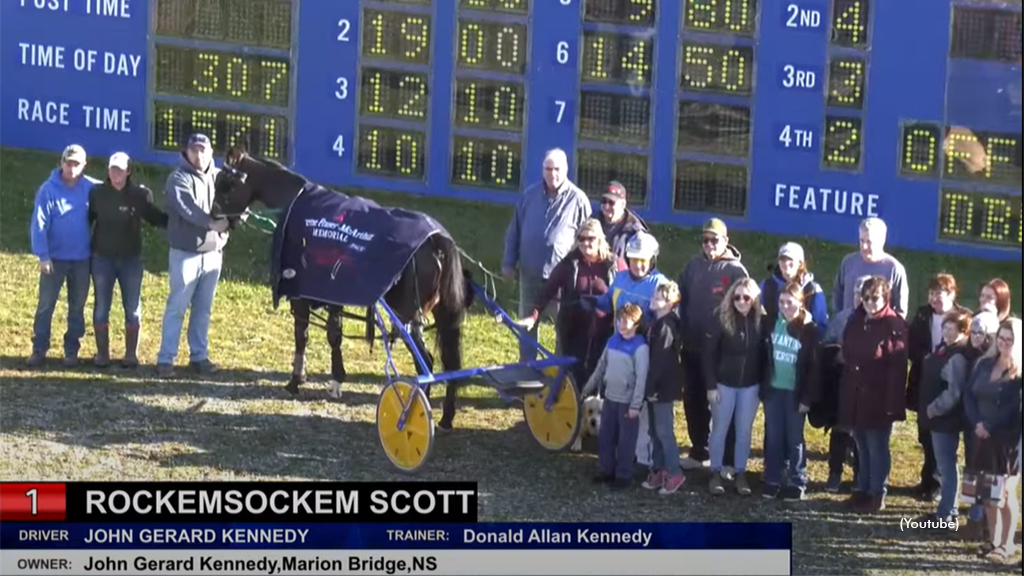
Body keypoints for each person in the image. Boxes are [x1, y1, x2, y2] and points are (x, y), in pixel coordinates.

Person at [589, 230, 669, 470]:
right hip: (616, 351)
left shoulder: (659, 283)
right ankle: (611, 461)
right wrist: (590, 300)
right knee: (615, 408)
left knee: (639, 411)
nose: (639, 265)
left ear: (652, 259)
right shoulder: (621, 278)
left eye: (644, 260)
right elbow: (606, 303)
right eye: (634, 259)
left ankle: (642, 460)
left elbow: (669, 314)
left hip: (643, 354)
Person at [503, 148, 592, 362]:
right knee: (527, 324)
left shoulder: (578, 200)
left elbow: (590, 237)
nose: (553, 174)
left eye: (557, 169)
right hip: (530, 274)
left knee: (562, 328)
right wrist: (508, 262)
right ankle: (527, 369)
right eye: (548, 169)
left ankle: (558, 373)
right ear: (542, 170)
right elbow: (514, 230)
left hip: (561, 279)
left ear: (566, 170)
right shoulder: (528, 196)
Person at [515, 219, 624, 389]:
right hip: (573, 332)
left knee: (601, 379)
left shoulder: (614, 265)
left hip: (605, 333)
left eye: (591, 238)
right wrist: (533, 315)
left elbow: (628, 292)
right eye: (581, 238)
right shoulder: (569, 264)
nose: (585, 243)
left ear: (600, 240)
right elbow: (547, 291)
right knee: (573, 378)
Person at [156, 134, 231, 377]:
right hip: (184, 254)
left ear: (210, 152)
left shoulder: (220, 177)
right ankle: (166, 359)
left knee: (203, 309)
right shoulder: (177, 178)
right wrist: (213, 224)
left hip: (212, 255)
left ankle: (198, 357)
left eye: (203, 150)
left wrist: (232, 224)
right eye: (194, 150)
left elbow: (238, 202)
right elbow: (188, 209)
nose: (199, 155)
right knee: (177, 307)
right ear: (186, 152)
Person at [677, 218, 749, 471]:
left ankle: (728, 460)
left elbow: (746, 309)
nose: (709, 245)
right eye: (705, 240)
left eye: (714, 240)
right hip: (692, 345)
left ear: (726, 241)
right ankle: (699, 452)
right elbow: (679, 294)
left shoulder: (736, 271)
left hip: (721, 352)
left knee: (722, 405)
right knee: (693, 400)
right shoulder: (693, 265)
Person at [88, 152, 168, 368]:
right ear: (108, 171)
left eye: (120, 170)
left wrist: (178, 221)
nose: (116, 174)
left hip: (130, 260)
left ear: (128, 172)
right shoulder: (97, 194)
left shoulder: (139, 196)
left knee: (132, 307)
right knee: (101, 306)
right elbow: (87, 220)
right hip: (102, 258)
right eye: (112, 169)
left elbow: (156, 218)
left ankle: (130, 354)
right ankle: (102, 353)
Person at [838, 276, 910, 513]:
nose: (869, 302)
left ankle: (877, 493)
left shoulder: (894, 325)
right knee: (861, 444)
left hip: (880, 397)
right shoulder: (856, 319)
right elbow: (847, 351)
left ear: (886, 298)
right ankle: (862, 489)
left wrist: (892, 405)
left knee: (877, 446)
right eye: (865, 297)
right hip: (856, 394)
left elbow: (898, 370)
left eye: (875, 297)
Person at [27, 144, 101, 367]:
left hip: (81, 259)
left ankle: (72, 350)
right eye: (68, 162)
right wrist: (43, 255)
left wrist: (139, 190)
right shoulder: (48, 190)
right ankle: (39, 348)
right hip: (54, 259)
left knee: (77, 306)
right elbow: (38, 225)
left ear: (84, 165)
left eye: (76, 164)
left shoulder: (91, 188)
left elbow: (114, 188)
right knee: (46, 305)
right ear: (61, 162)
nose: (71, 167)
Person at [906, 273, 971, 502]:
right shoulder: (923, 315)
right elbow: (911, 344)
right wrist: (927, 359)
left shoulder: (963, 318)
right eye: (931, 293)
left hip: (946, 384)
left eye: (939, 294)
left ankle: (939, 485)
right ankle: (927, 479)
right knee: (925, 435)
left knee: (942, 439)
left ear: (952, 295)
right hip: (924, 380)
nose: (934, 298)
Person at [703, 277, 769, 496]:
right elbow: (709, 356)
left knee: (744, 431)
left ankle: (740, 473)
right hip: (724, 384)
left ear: (754, 300)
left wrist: (762, 385)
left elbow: (765, 357)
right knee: (719, 429)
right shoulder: (721, 319)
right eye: (737, 297)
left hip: (750, 386)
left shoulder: (761, 322)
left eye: (746, 297)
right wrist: (711, 385)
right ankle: (715, 472)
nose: (741, 301)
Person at [962, 318, 1022, 562]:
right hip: (981, 437)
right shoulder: (984, 364)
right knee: (986, 491)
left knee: (1006, 493)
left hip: (1007, 440)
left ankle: (1007, 544)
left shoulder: (1019, 374)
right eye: (1001, 338)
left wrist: (990, 425)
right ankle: (993, 541)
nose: (1004, 343)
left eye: (1010, 339)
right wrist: (977, 422)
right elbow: (968, 394)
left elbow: (1013, 407)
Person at [762, 281, 822, 501]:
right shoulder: (771, 324)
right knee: (774, 436)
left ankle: (797, 480)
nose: (785, 306)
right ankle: (772, 478)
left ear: (800, 302)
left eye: (790, 302)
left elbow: (814, 368)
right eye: (782, 302)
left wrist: (808, 397)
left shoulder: (808, 330)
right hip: (774, 389)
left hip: (795, 393)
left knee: (794, 438)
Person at [581, 303, 650, 490]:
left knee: (626, 441)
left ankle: (624, 476)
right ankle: (606, 470)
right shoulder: (613, 340)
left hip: (627, 402)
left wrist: (635, 405)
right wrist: (588, 387)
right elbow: (601, 365)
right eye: (619, 320)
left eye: (626, 321)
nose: (621, 324)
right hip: (610, 398)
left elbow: (641, 378)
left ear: (636, 324)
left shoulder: (640, 348)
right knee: (606, 436)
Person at [916, 309, 973, 523]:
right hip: (936, 419)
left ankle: (948, 513)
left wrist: (933, 409)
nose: (946, 332)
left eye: (951, 329)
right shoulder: (944, 348)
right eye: (945, 327)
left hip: (945, 420)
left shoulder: (956, 356)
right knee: (943, 466)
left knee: (947, 467)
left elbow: (954, 392)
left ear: (962, 331)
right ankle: (945, 510)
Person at [818, 277, 866, 494]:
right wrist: (836, 352)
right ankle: (834, 472)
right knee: (839, 429)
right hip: (841, 382)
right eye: (856, 293)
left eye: (864, 294)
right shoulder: (842, 318)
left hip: (865, 386)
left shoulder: (877, 321)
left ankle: (860, 474)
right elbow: (826, 345)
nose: (859, 298)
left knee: (861, 433)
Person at [639, 281, 685, 495]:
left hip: (661, 387)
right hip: (654, 386)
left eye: (658, 298)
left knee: (664, 432)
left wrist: (649, 388)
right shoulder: (657, 323)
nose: (653, 299)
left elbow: (659, 361)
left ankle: (675, 472)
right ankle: (659, 469)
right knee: (654, 431)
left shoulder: (666, 326)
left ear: (670, 303)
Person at [832, 217, 909, 317]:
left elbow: (900, 310)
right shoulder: (848, 262)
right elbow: (837, 295)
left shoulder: (894, 269)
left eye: (869, 242)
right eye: (861, 241)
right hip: (848, 328)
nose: (864, 246)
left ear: (881, 241)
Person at [760, 242, 829, 338]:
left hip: (803, 345)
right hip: (774, 346)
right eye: (782, 259)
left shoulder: (812, 290)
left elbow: (821, 325)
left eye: (790, 259)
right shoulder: (767, 285)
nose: (786, 263)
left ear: (800, 263)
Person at [596, 180, 649, 260]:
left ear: (623, 204)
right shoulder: (592, 223)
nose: (606, 206)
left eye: (611, 202)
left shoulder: (635, 231)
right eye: (604, 201)